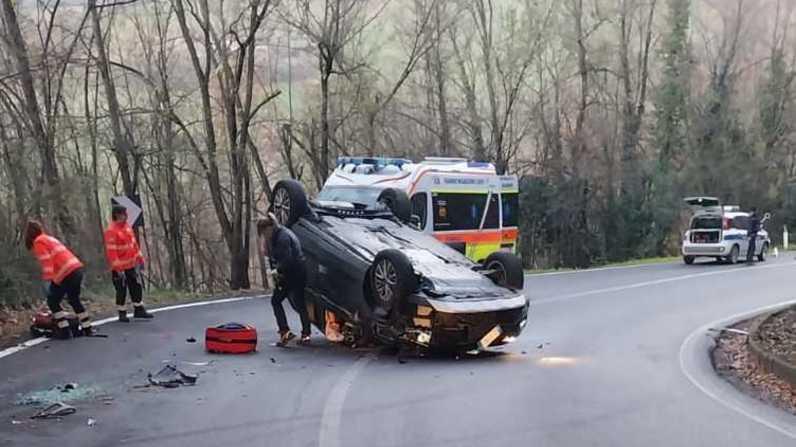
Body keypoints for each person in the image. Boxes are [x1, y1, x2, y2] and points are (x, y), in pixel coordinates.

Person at [24, 220, 92, 339]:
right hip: (76, 268)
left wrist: (48, 282)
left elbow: (47, 262)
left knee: (53, 301)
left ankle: (64, 330)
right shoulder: (49, 238)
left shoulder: (39, 242)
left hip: (66, 273)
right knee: (74, 299)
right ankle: (87, 328)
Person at [257, 213, 311, 346]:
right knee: (297, 303)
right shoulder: (277, 235)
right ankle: (303, 334)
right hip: (292, 272)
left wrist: (277, 271)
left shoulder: (283, 237)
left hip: (294, 272)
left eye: (264, 233)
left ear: (269, 228)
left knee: (279, 301)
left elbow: (287, 259)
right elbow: (273, 258)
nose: (265, 236)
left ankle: (287, 332)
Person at [104, 205, 153, 321]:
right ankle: (122, 313)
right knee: (121, 290)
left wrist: (140, 258)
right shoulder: (111, 231)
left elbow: (134, 245)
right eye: (124, 214)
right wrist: (117, 268)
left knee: (136, 287)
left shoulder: (127, 227)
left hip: (131, 264)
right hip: (119, 267)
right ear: (117, 215)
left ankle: (139, 309)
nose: (126, 216)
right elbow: (112, 252)